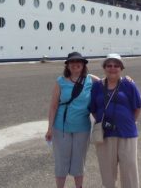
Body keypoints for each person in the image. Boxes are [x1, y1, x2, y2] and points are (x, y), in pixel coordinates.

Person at [45, 52, 99, 188]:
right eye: (72, 62)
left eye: (78, 62)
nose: (75, 64)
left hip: (82, 128)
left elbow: (110, 82)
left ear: (83, 65)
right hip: (61, 128)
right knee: (61, 161)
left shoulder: (91, 80)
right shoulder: (60, 81)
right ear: (67, 65)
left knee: (79, 162)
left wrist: (125, 79)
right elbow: (53, 106)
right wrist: (50, 128)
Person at [90, 53, 141, 188]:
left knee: (129, 168)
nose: (112, 68)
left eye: (116, 66)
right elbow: (93, 108)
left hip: (127, 133)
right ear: (104, 68)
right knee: (107, 170)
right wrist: (103, 121)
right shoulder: (97, 86)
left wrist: (130, 121)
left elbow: (138, 107)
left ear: (121, 68)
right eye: (109, 65)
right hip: (105, 134)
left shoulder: (129, 84)